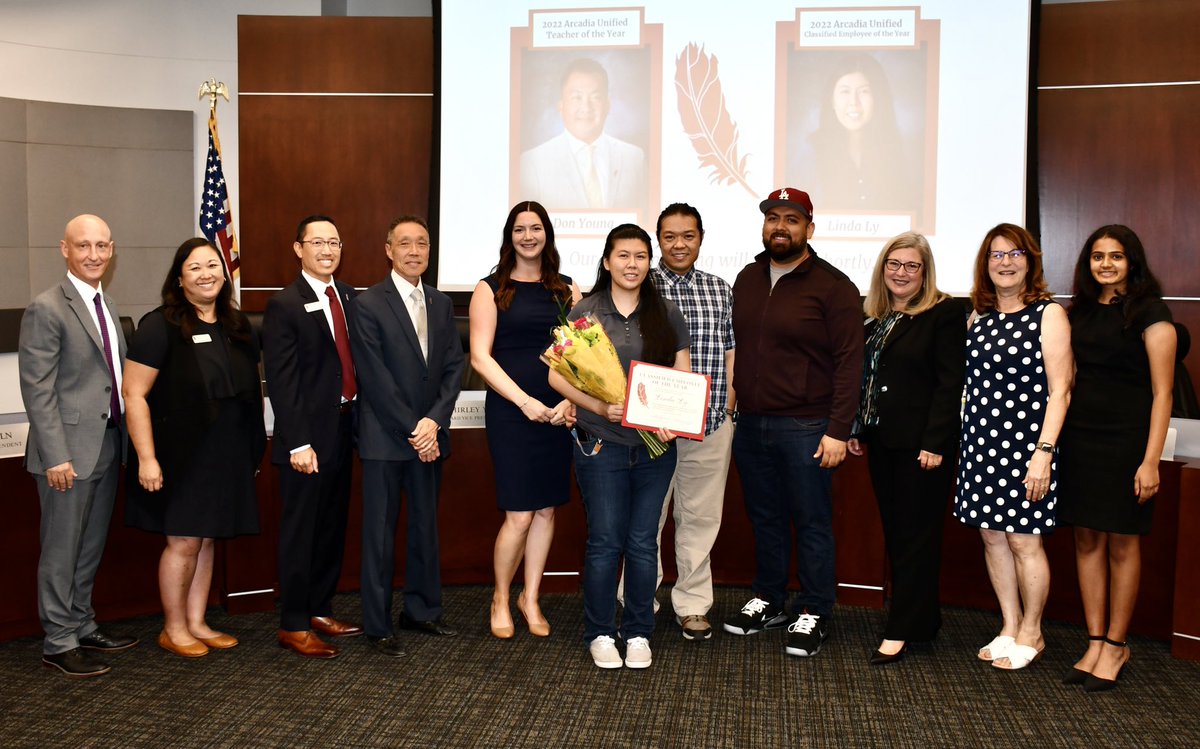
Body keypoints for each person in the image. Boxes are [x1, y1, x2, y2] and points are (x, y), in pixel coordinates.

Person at [724, 187, 864, 659]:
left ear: (809, 228)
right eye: (772, 219)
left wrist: (839, 430)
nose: (780, 227)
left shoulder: (833, 286)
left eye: (791, 219)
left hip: (808, 427)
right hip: (752, 425)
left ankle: (816, 609)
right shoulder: (745, 278)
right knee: (764, 517)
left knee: (812, 521)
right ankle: (769, 597)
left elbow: (850, 363)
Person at [549, 223, 690, 669]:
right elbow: (556, 375)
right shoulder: (585, 313)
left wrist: (675, 420)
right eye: (623, 256)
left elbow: (681, 378)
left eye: (641, 256)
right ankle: (600, 632)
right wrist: (597, 404)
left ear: (650, 263)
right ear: (607, 261)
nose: (633, 264)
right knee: (605, 542)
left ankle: (638, 633)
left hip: (655, 450)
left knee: (644, 543)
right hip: (601, 445)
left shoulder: (666, 312)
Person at [123, 238, 265, 658]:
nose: (206, 274)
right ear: (179, 278)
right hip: (180, 455)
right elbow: (134, 395)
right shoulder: (160, 325)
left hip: (227, 452)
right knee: (184, 541)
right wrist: (146, 458)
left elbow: (249, 394)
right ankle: (174, 627)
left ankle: (198, 620)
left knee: (207, 539)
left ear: (224, 274)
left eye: (212, 266)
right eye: (194, 268)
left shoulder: (237, 325)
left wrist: (250, 452)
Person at [19, 214, 139, 678]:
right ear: (64, 249)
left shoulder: (103, 303)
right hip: (66, 454)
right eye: (83, 246)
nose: (94, 254)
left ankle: (82, 624)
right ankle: (58, 639)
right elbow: (38, 389)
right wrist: (56, 456)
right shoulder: (47, 307)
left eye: (102, 246)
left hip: (107, 445)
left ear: (112, 251)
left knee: (89, 545)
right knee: (61, 549)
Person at [1057, 225, 1175, 691]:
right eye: (1098, 256)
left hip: (1128, 443)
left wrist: (1151, 461)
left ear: (1133, 261)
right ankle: (1095, 639)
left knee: (1123, 542)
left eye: (1116, 257)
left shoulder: (1151, 313)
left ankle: (1118, 643)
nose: (1106, 264)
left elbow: (1164, 394)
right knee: (1086, 541)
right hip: (1081, 439)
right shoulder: (1080, 311)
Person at [953, 223, 1073, 671]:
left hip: (1028, 448)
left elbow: (1061, 391)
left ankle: (1033, 632)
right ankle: (1008, 624)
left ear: (1031, 260)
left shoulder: (1049, 314)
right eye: (996, 255)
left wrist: (1044, 452)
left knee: (1025, 541)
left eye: (1015, 254)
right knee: (991, 537)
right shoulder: (977, 317)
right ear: (986, 265)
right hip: (981, 444)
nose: (1005, 262)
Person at [847, 232, 965, 664]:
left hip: (923, 448)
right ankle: (923, 619)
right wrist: (859, 428)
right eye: (893, 264)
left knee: (916, 535)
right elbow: (868, 379)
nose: (901, 272)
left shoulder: (944, 313)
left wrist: (935, 441)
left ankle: (901, 627)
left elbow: (951, 382)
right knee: (899, 532)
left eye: (911, 266)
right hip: (883, 441)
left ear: (924, 272)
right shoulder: (873, 316)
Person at [622, 203, 736, 642]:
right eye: (669, 236)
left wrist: (729, 406)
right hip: (649, 432)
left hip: (709, 427)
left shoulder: (720, 290)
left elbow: (729, 353)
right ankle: (637, 602)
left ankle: (692, 605)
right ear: (657, 241)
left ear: (701, 238)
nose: (679, 244)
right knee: (644, 520)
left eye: (688, 235)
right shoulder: (637, 286)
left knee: (700, 519)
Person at [352, 216, 465, 653]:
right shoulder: (368, 304)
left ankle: (420, 611)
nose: (414, 251)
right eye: (405, 243)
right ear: (388, 249)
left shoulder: (438, 303)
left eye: (422, 243)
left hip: (429, 438)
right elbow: (375, 378)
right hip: (386, 440)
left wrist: (433, 422)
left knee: (424, 530)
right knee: (379, 537)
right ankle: (378, 625)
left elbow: (454, 367)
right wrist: (415, 428)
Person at [469, 201, 580, 640]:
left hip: (558, 413)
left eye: (536, 228)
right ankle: (500, 595)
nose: (528, 236)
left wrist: (571, 402)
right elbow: (480, 357)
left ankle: (529, 597)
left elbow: (581, 357)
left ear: (547, 234)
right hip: (512, 412)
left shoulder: (569, 290)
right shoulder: (489, 287)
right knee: (518, 514)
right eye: (520, 229)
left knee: (547, 510)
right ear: (509, 235)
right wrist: (525, 402)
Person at [262, 215, 363, 659]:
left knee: (330, 526)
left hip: (345, 427)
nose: (327, 249)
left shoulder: (347, 296)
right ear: (298, 248)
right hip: (306, 438)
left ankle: (320, 608)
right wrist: (298, 443)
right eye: (317, 242)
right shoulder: (284, 304)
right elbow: (282, 384)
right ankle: (294, 623)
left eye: (334, 242)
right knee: (300, 531)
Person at [519, 57, 647, 210]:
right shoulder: (533, 162)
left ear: (608, 105)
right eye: (576, 98)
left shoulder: (634, 158)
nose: (586, 107)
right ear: (561, 105)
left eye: (595, 97)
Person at [803, 53, 915, 214]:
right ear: (831, 101)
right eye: (845, 92)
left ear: (878, 99)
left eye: (864, 92)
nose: (854, 102)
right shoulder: (810, 153)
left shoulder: (897, 150)